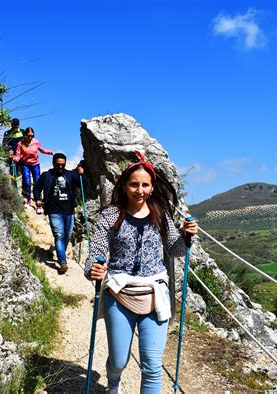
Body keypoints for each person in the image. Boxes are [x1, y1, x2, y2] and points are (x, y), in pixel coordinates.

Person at [84, 151, 198, 393]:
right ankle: (114, 382)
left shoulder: (161, 214)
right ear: (124, 186)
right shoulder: (110, 216)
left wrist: (187, 236)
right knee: (118, 360)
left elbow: (175, 249)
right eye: (134, 184)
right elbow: (95, 253)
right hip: (119, 293)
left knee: (152, 366)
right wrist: (93, 269)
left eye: (145, 185)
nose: (140, 190)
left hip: (155, 292)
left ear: (152, 187)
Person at [34, 153, 85, 274]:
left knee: (66, 237)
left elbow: (83, 184)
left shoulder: (71, 175)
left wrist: (82, 174)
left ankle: (58, 251)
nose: (60, 167)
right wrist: (37, 199)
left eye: (63, 165)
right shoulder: (46, 175)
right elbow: (37, 188)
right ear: (53, 163)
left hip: (69, 212)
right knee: (59, 235)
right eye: (58, 165)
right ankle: (62, 262)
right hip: (54, 211)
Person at [11, 127, 54, 207]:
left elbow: (42, 150)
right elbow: (18, 156)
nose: (30, 137)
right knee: (27, 182)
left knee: (37, 182)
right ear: (25, 135)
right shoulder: (20, 144)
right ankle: (28, 199)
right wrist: (14, 158)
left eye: (32, 136)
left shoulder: (36, 142)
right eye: (28, 135)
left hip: (35, 164)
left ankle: (38, 199)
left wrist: (50, 152)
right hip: (25, 164)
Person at [2, 118, 24, 182]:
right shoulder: (7, 133)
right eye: (13, 125)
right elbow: (4, 145)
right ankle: (13, 187)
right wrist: (8, 150)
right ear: (11, 125)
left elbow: (28, 143)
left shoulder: (23, 132)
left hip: (22, 156)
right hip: (12, 156)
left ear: (18, 125)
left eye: (16, 125)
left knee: (24, 172)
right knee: (13, 173)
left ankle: (25, 190)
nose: (15, 127)